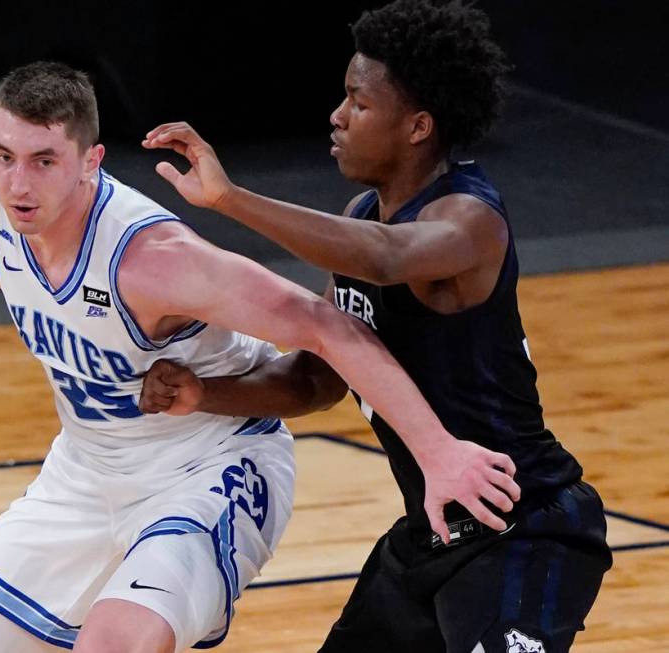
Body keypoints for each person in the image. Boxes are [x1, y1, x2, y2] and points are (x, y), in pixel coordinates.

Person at [0, 61, 519, 653]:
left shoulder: (154, 259)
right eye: (3, 155)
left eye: (43, 161)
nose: (18, 182)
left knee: (115, 642)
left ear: (90, 161)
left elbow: (324, 324)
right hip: (87, 473)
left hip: (211, 465)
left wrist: (439, 451)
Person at [140, 1, 611, 652]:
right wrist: (204, 392)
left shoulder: (470, 219)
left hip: (523, 528)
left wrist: (228, 199)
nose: (336, 115)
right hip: (432, 532)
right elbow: (315, 380)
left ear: (418, 125)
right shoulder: (363, 212)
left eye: (357, 103)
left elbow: (387, 258)